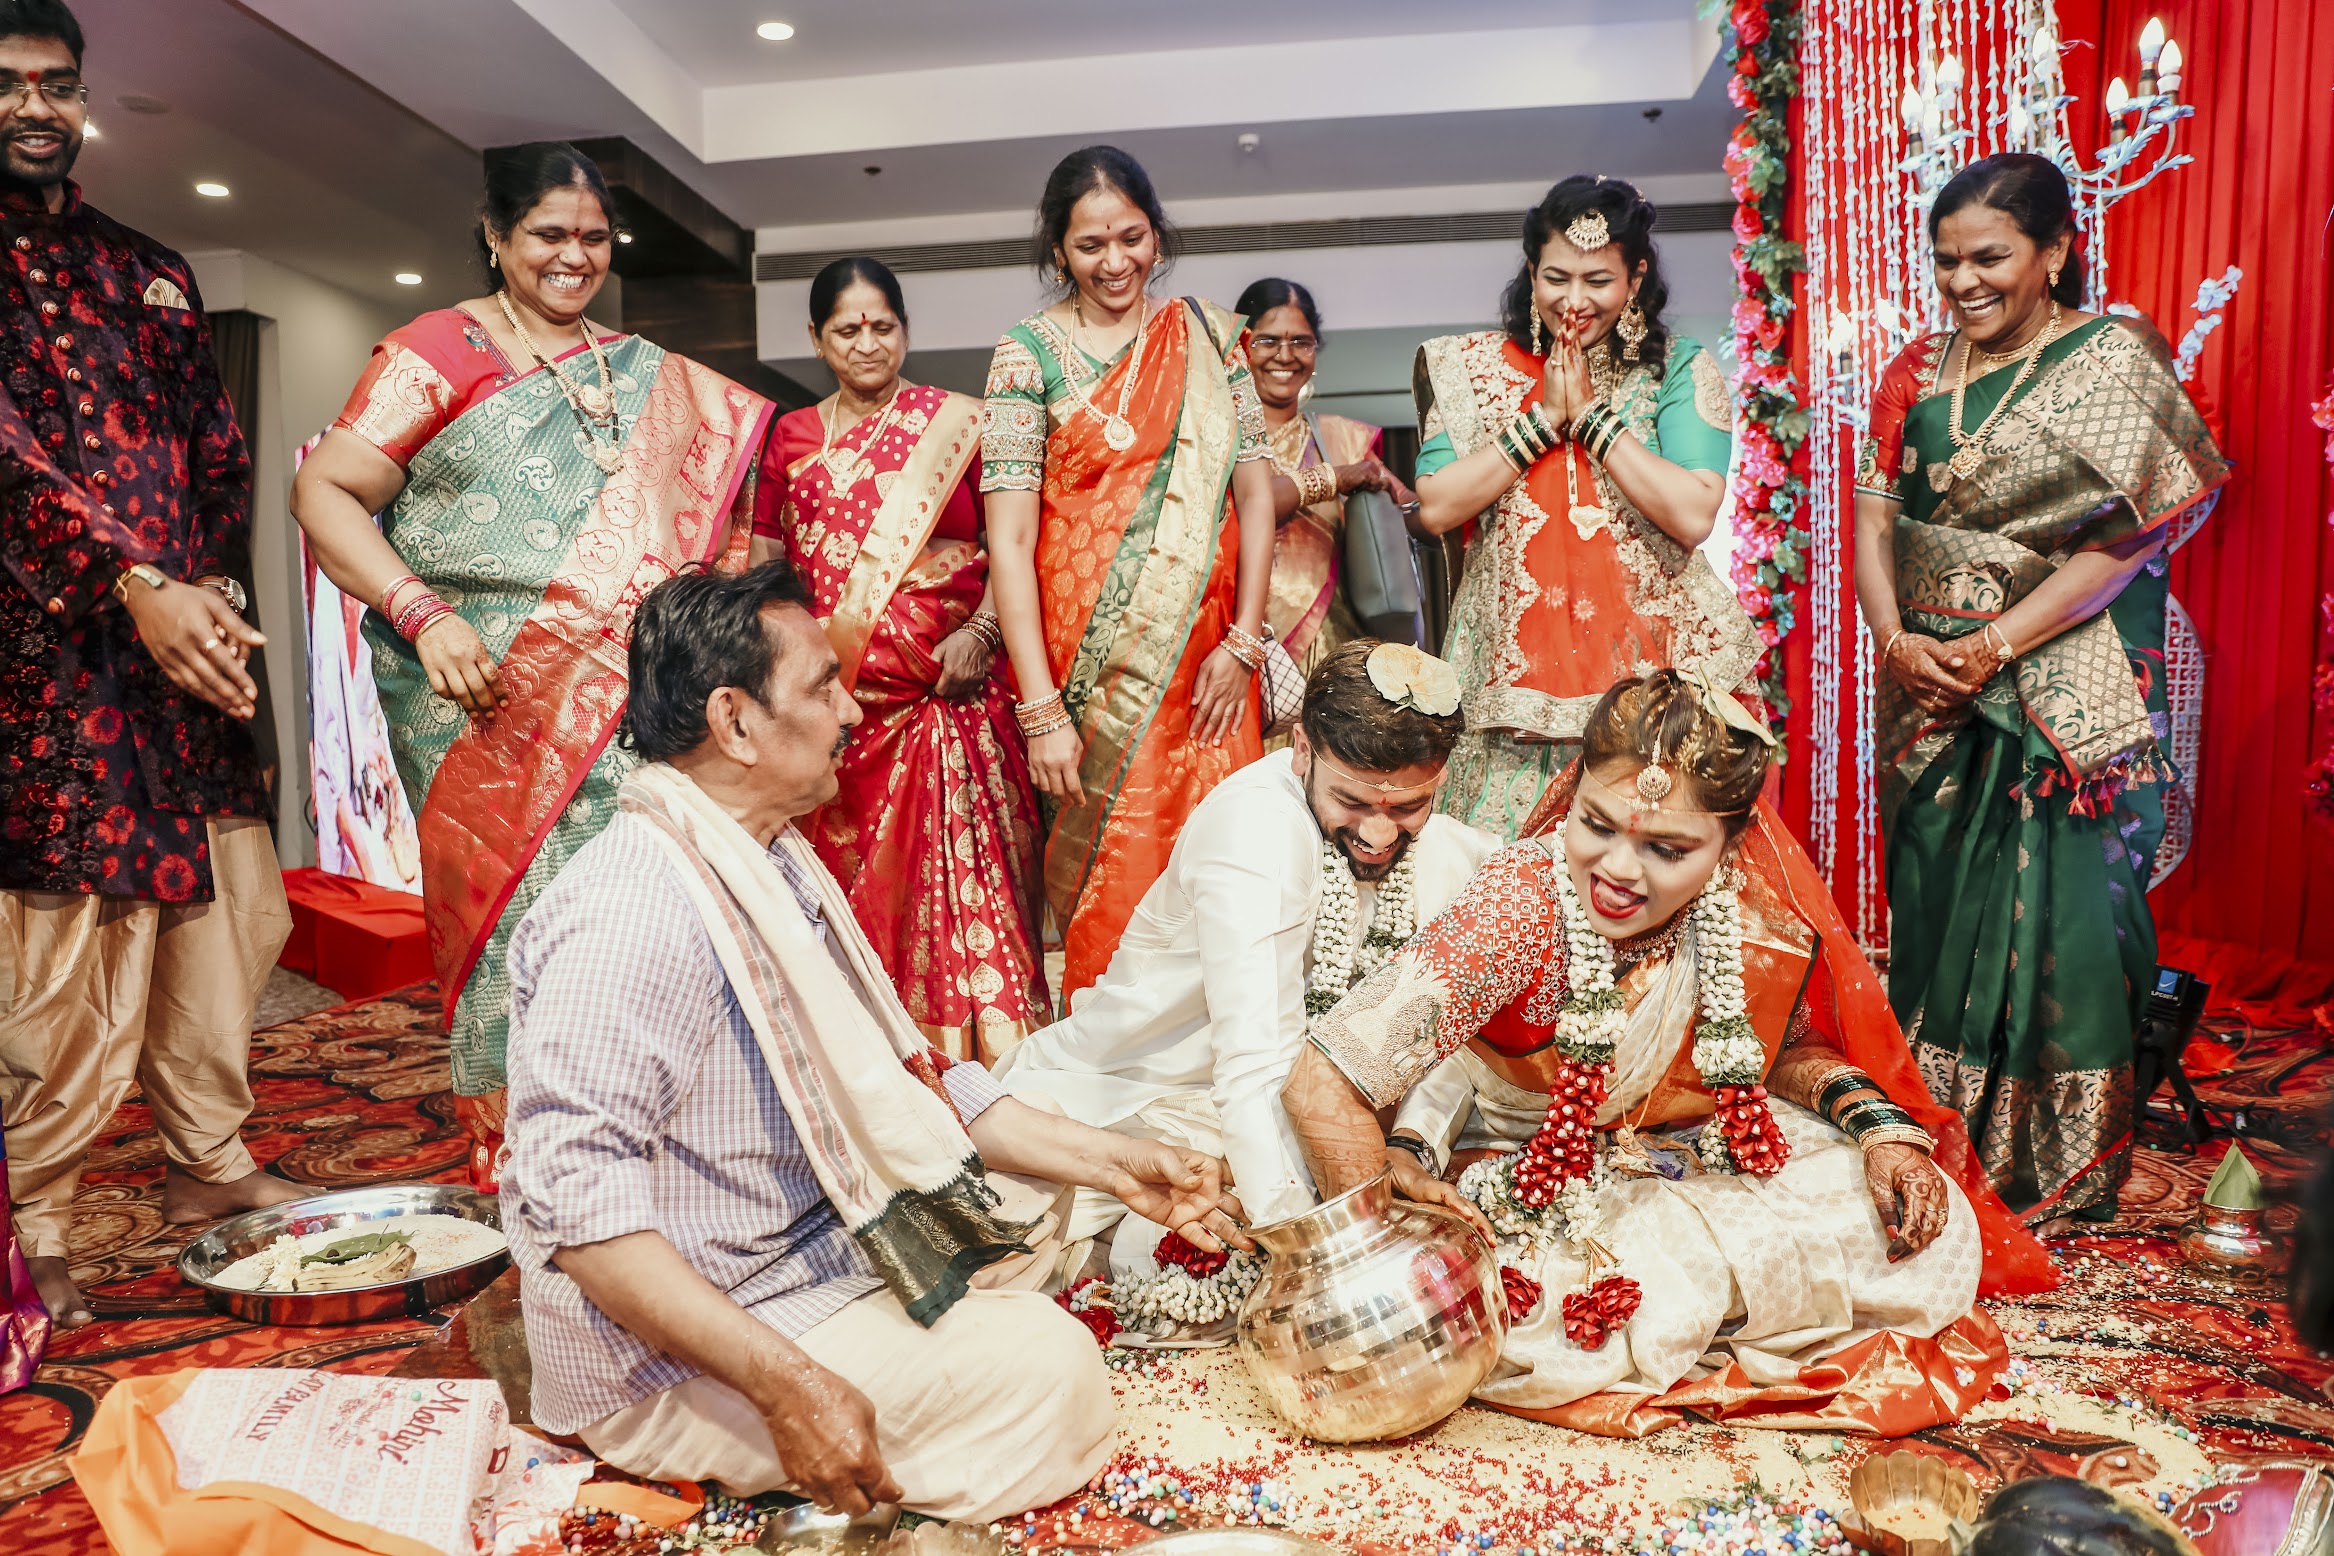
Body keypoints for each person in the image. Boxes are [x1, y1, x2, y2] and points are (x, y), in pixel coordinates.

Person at [499, 563, 1241, 1519]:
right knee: (1055, 1374)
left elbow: (914, 1082)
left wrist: (1118, 1164)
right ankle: (794, 1450)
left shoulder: (768, 861)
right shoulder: (632, 914)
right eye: (822, 686)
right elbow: (583, 1222)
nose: (853, 712)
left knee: (1042, 1193)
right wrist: (785, 1385)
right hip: (678, 1347)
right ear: (734, 723)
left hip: (813, 1254)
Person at [1280, 672, 2058, 1438]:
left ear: (1730, 845)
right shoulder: (1520, 905)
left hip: (1662, 1147)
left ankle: (1707, 1311)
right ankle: (1701, 1316)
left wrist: (1884, 1131)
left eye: (1665, 847)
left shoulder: (1735, 908)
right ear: (1574, 791)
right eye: (1597, 824)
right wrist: (1380, 1263)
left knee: (1923, 1220)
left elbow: (1781, 1044)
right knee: (1614, 1282)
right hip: (1514, 1165)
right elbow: (1321, 1084)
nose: (1618, 869)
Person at [292, 143, 774, 1190]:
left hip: (640, 722)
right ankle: (543, 1180)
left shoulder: (641, 369)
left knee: (650, 925)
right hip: (493, 720)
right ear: (498, 237)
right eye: (549, 234)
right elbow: (327, 490)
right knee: (530, 937)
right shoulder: (440, 349)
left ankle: (675, 1159)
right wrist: (422, 615)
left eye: (593, 237)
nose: (574, 256)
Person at [1851, 154, 2229, 1235]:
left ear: (2055, 250)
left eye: (1990, 257)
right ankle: (1935, 1133)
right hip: (1926, 686)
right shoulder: (1915, 369)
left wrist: (1998, 643)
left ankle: (2056, 1160)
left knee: (2060, 914)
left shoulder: (2109, 359)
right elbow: (1875, 518)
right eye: (1946, 261)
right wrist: (1894, 638)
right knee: (1930, 905)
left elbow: (2134, 539)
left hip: (2054, 689)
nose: (1964, 281)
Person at [0, 0, 303, 1329]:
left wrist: (216, 592)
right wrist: (134, 586)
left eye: (57, 85)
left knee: (230, 923)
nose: (33, 107)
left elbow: (215, 450)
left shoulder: (152, 268)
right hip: (51, 668)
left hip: (189, 658)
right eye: (7, 85)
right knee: (65, 954)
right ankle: (36, 1216)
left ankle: (207, 1159)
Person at [997, 641, 1497, 1302]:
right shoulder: (1254, 832)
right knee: (1171, 1271)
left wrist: (1410, 1146)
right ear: (1301, 749)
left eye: (1406, 807)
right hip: (1135, 1106)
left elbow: (1455, 1036)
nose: (1378, 836)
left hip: (1282, 1134)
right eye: (1352, 801)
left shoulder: (1449, 855)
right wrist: (1320, 1254)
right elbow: (1258, 1069)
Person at [982, 145, 1278, 997]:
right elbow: (1008, 541)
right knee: (1110, 877)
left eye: (1133, 238)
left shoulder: (1214, 338)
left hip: (1211, 669)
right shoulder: (1023, 356)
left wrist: (1247, 641)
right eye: (1090, 246)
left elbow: (1254, 497)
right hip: (1082, 678)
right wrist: (1040, 710)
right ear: (1057, 251)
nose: (1116, 263)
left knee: (1223, 870)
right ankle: (1111, 1082)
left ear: (1158, 233)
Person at [750, 257, 1048, 1061]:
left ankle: (983, 1065)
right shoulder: (791, 438)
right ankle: (865, 1062)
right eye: (847, 329)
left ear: (906, 331)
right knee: (852, 901)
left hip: (943, 710)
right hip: (832, 722)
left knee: (955, 902)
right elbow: (767, 572)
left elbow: (1018, 554)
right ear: (816, 339)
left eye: (883, 326)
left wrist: (981, 635)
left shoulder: (964, 423)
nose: (868, 343)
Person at [1408, 176, 1760, 839]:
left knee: (1657, 873)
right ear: (1531, 272)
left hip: (1657, 685)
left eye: (1598, 280)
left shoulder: (1676, 369)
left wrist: (1592, 421)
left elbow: (1692, 513)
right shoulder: (1469, 369)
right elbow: (1437, 505)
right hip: (1506, 698)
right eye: (1555, 277)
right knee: (1497, 893)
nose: (1573, 301)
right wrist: (1540, 422)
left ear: (1636, 278)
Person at [1233, 277, 1412, 683]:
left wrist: (1422, 505)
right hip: (1242, 644)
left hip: (1332, 646)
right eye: (1267, 341)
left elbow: (1411, 512)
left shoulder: (1342, 438)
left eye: (1301, 342)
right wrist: (1339, 478)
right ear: (1241, 346)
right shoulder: (1217, 436)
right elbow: (1252, 504)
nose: (1285, 355)